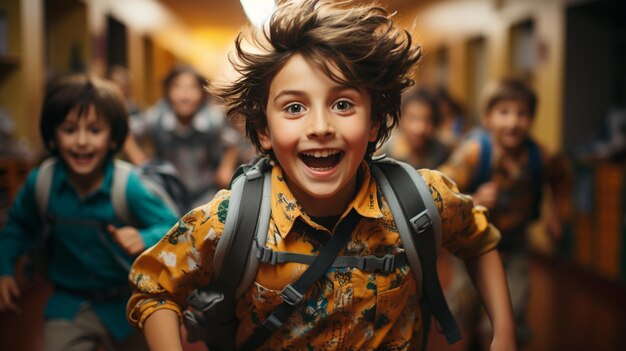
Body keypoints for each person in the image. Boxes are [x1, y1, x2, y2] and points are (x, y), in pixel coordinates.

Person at [126, 1, 516, 350]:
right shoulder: (231, 218)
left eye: (343, 104)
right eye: (294, 108)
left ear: (375, 123)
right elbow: (153, 286)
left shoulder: (421, 198)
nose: (320, 126)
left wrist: (504, 335)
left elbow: (477, 237)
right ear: (264, 130)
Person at [0, 75, 179, 351]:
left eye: (94, 130)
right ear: (53, 136)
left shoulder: (128, 185)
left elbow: (174, 228)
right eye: (69, 129)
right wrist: (5, 267)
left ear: (112, 138)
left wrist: (144, 237)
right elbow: (18, 226)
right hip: (69, 305)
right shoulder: (43, 182)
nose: (82, 141)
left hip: (129, 301)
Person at [439, 77, 572, 348]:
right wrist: (473, 198)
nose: (513, 122)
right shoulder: (474, 152)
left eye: (522, 114)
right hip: (472, 244)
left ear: (532, 118)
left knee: (512, 308)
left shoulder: (541, 156)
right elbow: (442, 189)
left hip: (515, 245)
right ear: (487, 117)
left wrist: (557, 215)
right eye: (504, 113)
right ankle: (473, 336)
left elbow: (563, 179)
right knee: (468, 304)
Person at [125, 66, 240, 207]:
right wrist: (142, 163)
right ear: (167, 92)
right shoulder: (157, 117)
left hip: (205, 193)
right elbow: (126, 132)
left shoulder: (213, 120)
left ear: (202, 93)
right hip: (167, 193)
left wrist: (225, 167)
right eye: (178, 87)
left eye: (192, 87)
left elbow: (232, 142)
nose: (185, 95)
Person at [382, 86, 451, 169]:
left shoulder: (441, 153)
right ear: (400, 119)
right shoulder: (386, 154)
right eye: (412, 118)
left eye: (427, 120)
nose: (419, 128)